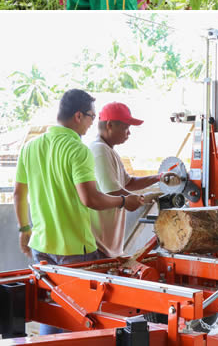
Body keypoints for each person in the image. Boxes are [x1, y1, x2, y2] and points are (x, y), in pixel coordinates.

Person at [13, 89, 144, 335]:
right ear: (78, 116)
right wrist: (124, 202)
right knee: (81, 319)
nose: (92, 123)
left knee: (52, 309)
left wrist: (24, 230)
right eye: (91, 117)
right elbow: (91, 199)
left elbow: (19, 194)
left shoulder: (30, 147)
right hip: (74, 248)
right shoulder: (78, 150)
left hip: (40, 245)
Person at [88, 102, 177, 257]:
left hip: (108, 244)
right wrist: (141, 198)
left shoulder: (108, 149)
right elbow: (114, 192)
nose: (128, 133)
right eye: (125, 128)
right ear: (109, 125)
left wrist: (159, 178)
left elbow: (128, 182)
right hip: (99, 243)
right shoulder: (99, 150)